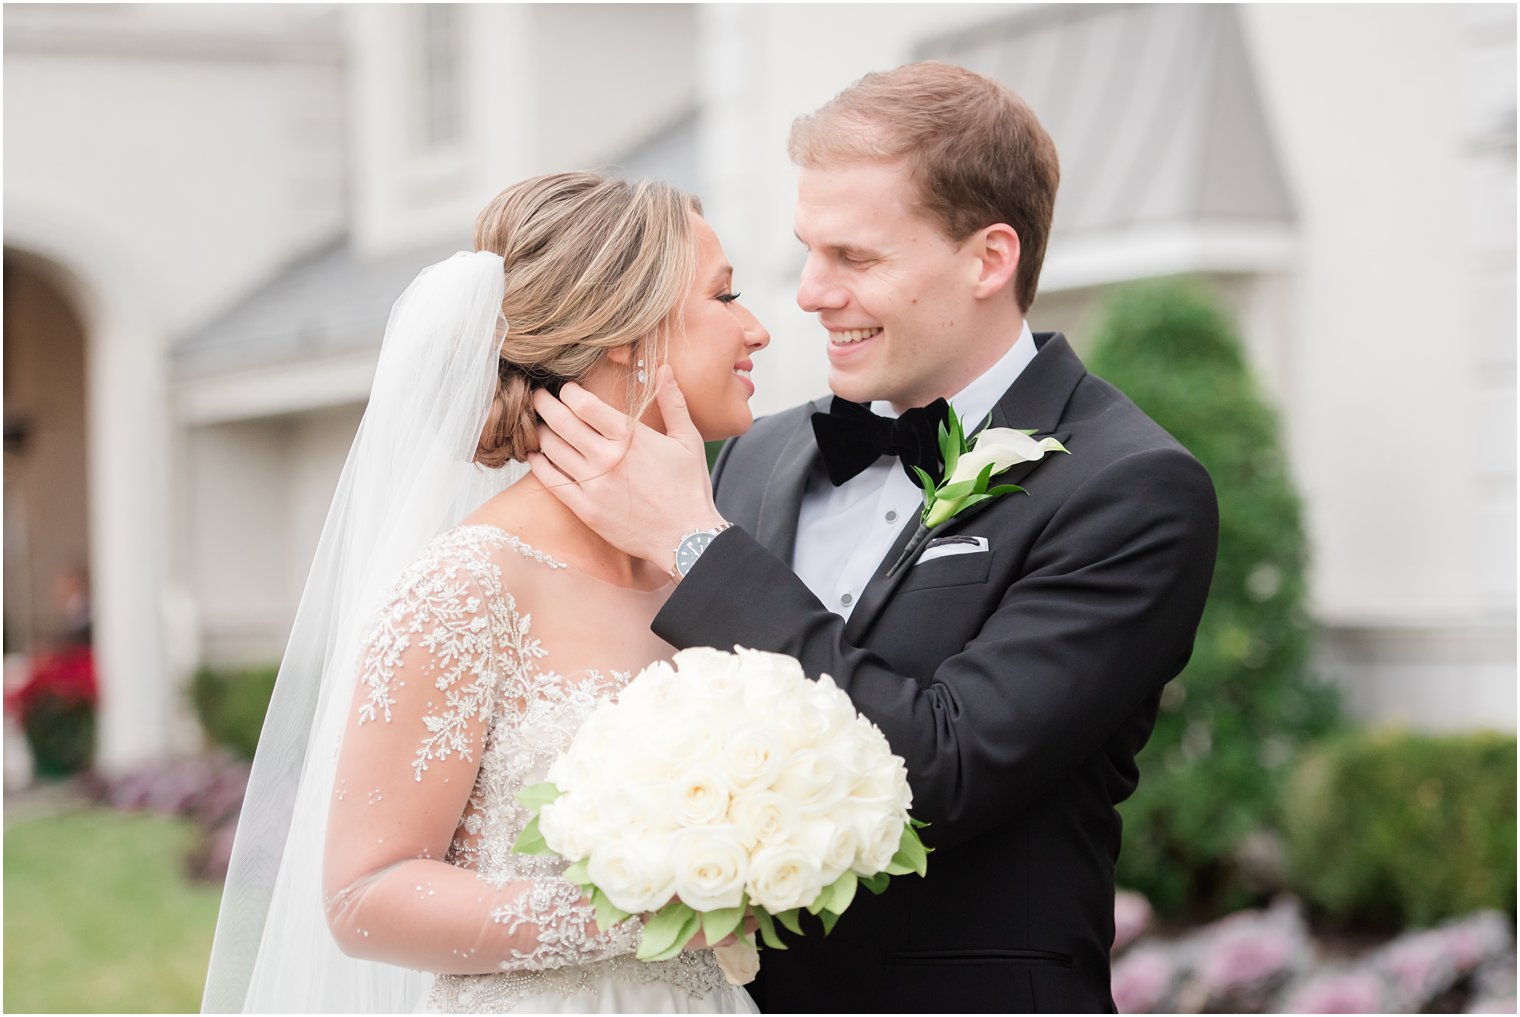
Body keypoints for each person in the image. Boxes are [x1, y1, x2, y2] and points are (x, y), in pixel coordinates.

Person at [528, 63, 1220, 1013]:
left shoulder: (1131, 490)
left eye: (855, 259)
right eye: (810, 252)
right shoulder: (757, 456)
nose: (810, 294)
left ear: (988, 259)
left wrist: (699, 548)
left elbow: (942, 766)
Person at [201, 172, 769, 1014]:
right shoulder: (466, 587)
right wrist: (645, 912)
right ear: (628, 331)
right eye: (725, 296)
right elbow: (366, 895)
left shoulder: (710, 563)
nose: (756, 328)